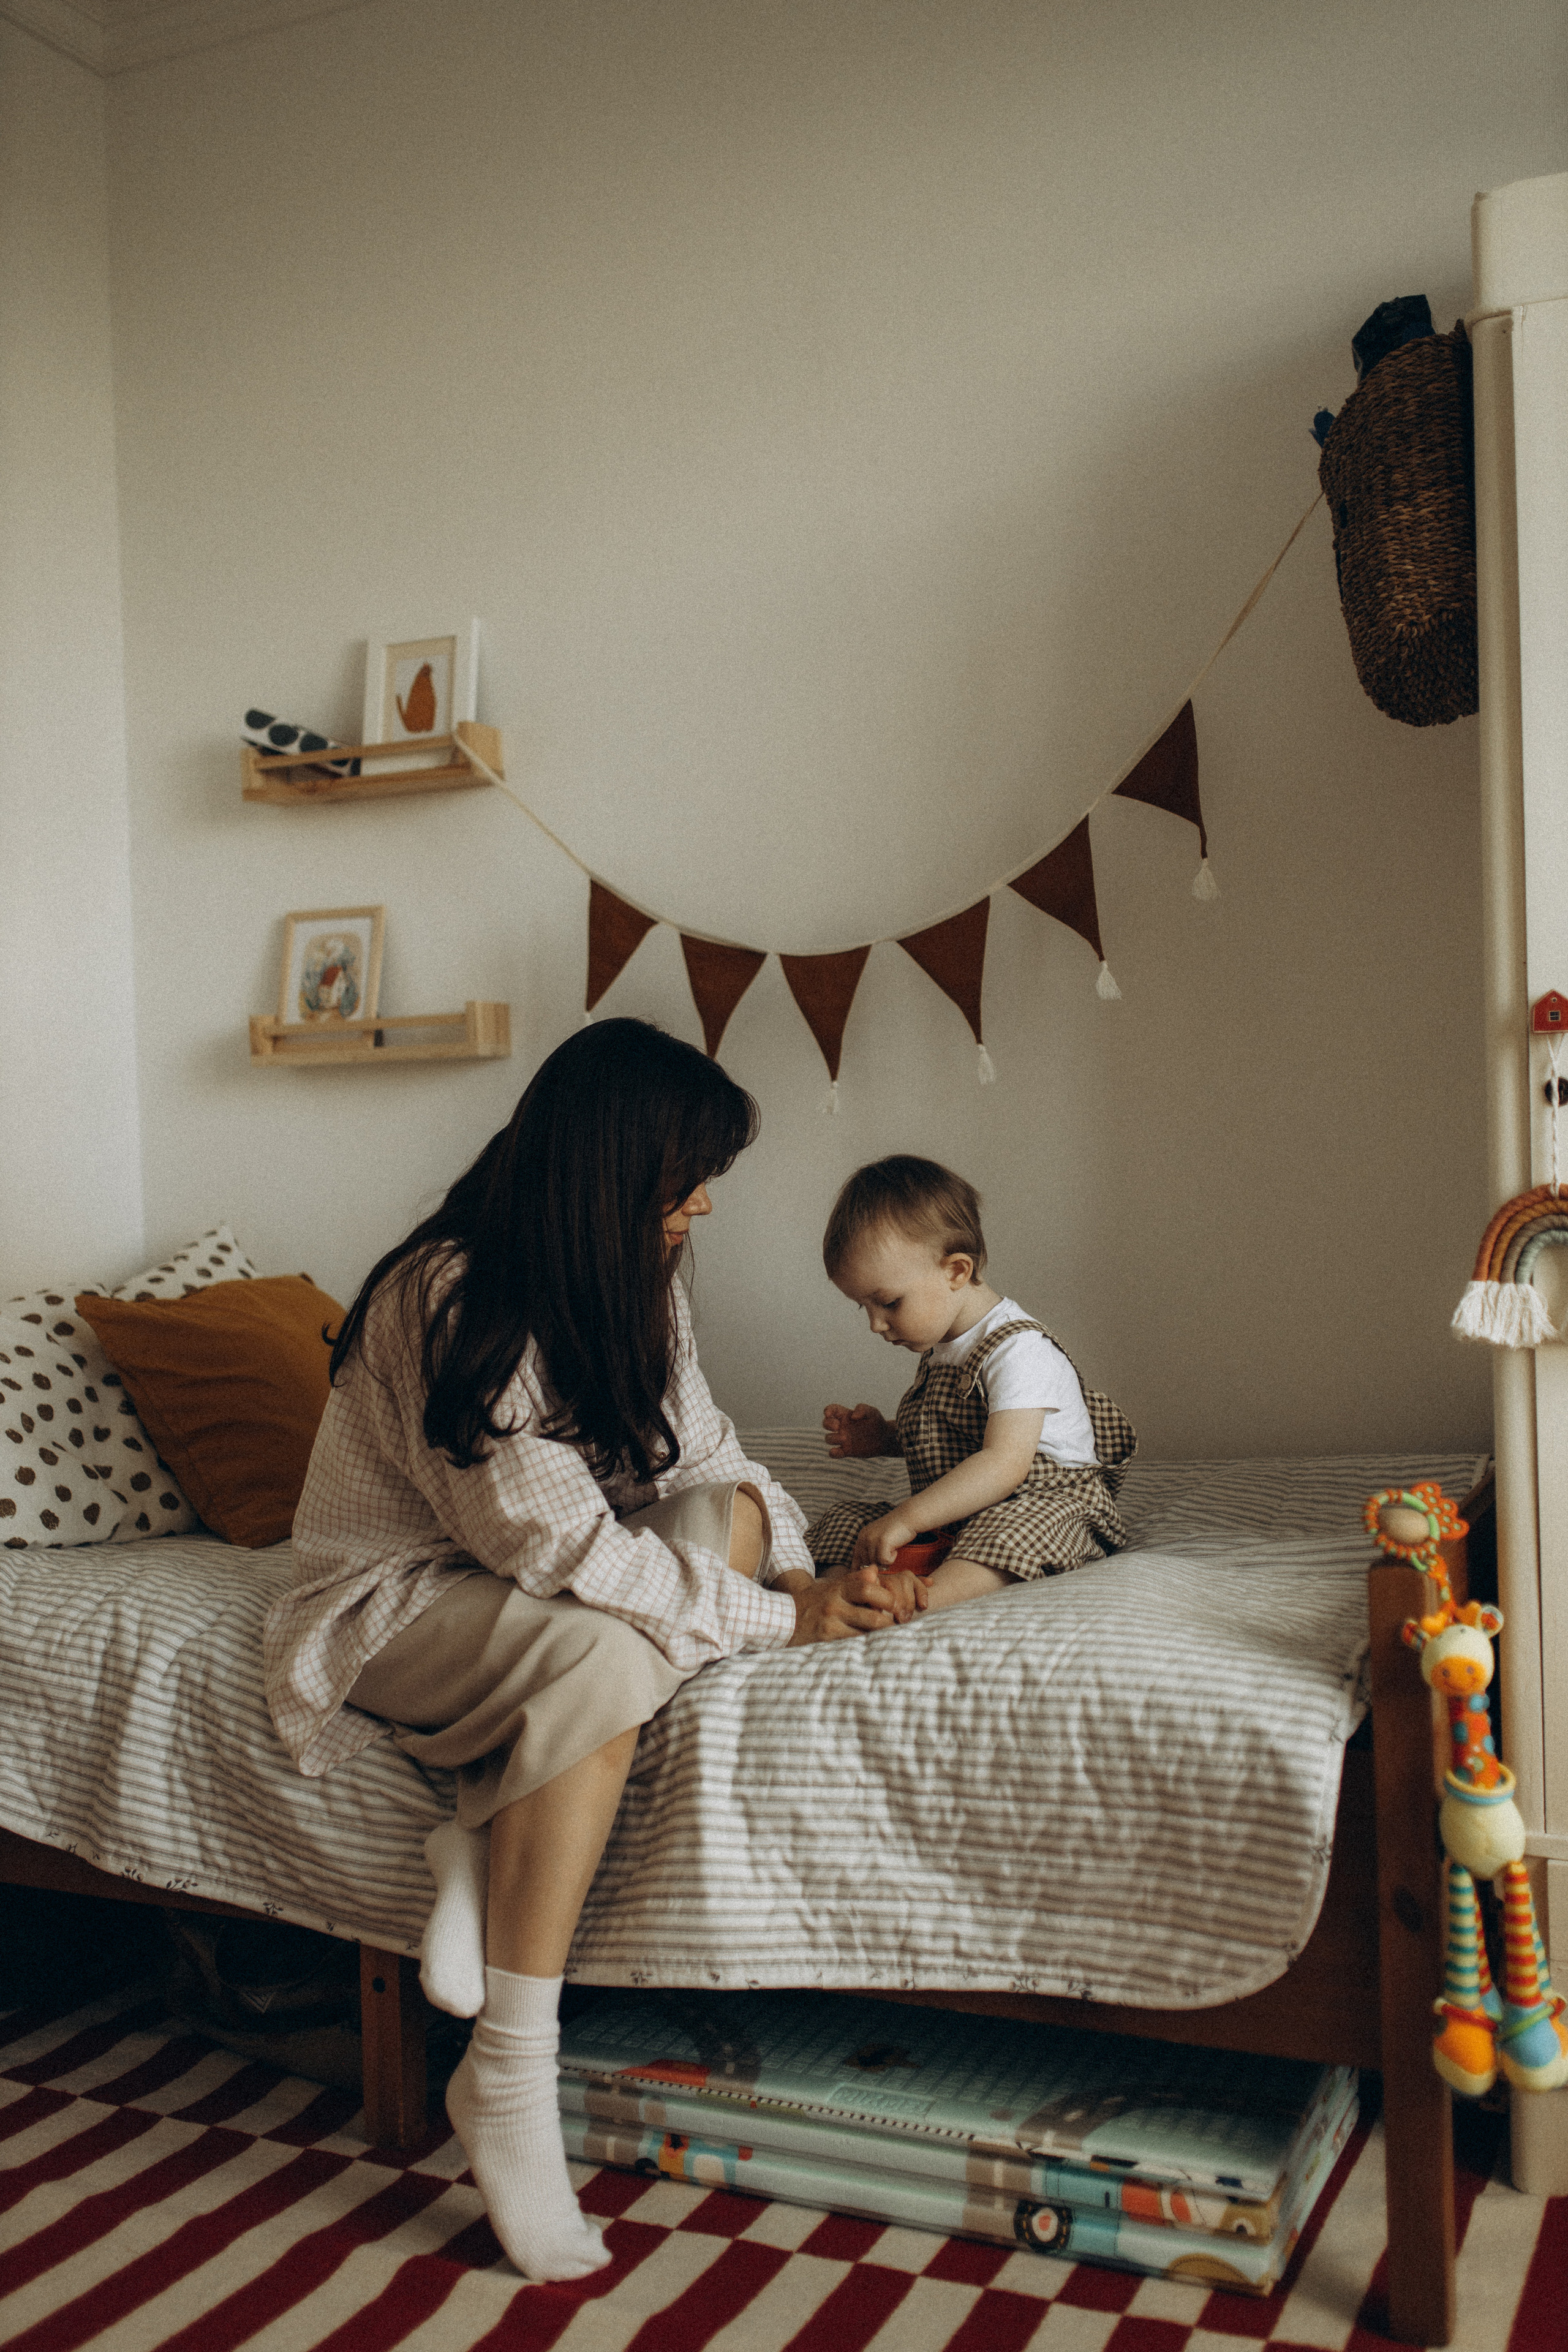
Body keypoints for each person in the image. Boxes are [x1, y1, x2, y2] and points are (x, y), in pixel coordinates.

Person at [263, 1019, 905, 2283]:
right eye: (687, 1178)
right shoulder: (443, 1295)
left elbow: (708, 1456)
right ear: (614, 1170)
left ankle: (480, 1826)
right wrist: (784, 1624)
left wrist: (790, 1565)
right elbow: (555, 1549)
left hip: (526, 1584)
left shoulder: (634, 1277)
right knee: (606, 1659)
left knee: (722, 1518)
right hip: (399, 1605)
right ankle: (506, 2076)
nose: (704, 1204)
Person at [811, 1155, 1136, 1614]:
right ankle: (841, 1593)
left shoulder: (1018, 1349)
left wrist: (908, 1517)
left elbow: (1004, 1463)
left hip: (1046, 1503)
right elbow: (954, 1440)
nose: (875, 1324)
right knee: (849, 1521)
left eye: (887, 1302)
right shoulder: (942, 1348)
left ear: (956, 1271)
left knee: (1011, 1529)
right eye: (862, 1307)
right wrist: (884, 1437)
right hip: (964, 1516)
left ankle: (926, 1600)